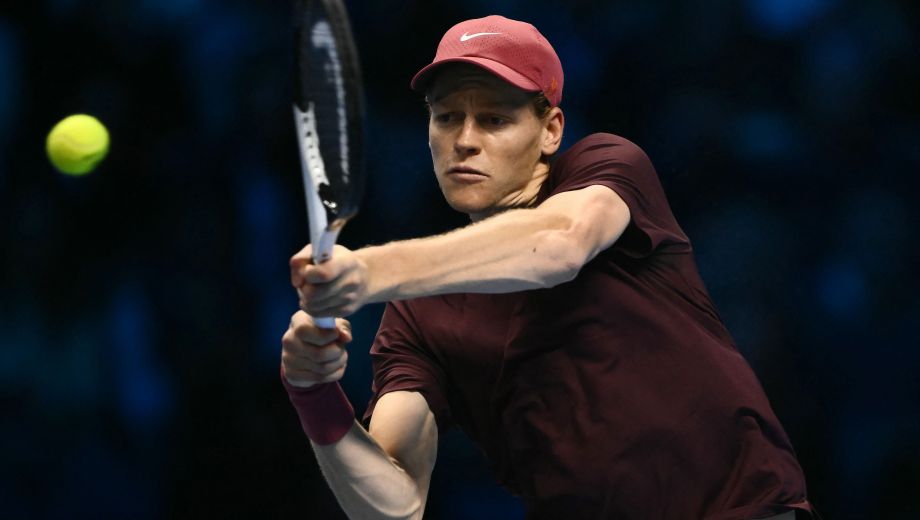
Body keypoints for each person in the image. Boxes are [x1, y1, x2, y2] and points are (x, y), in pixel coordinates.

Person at [279, 15, 813, 520]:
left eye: (494, 118)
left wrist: (369, 271)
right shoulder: (418, 316)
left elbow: (559, 245)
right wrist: (314, 394)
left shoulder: (608, 167)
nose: (464, 139)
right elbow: (394, 504)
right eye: (446, 117)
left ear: (551, 130)